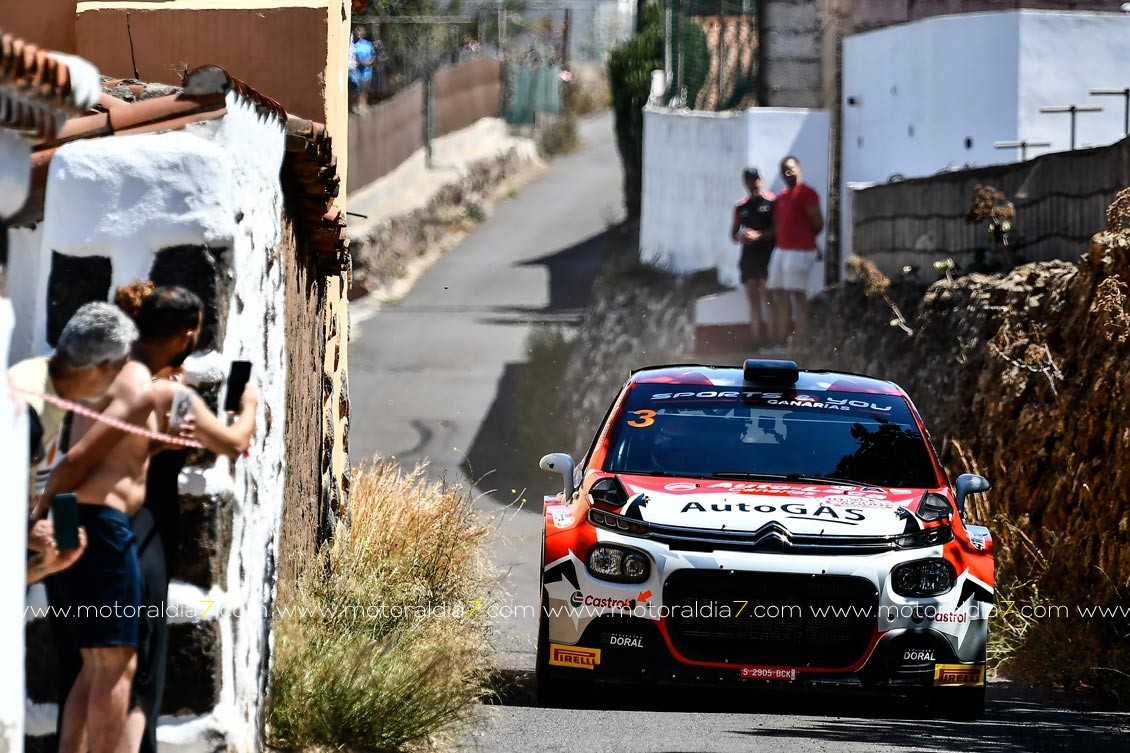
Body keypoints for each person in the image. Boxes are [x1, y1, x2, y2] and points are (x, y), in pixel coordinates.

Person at [108, 281, 258, 753]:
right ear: (186, 335)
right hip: (144, 535)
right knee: (141, 663)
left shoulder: (109, 379)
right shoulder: (170, 395)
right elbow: (233, 443)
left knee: (98, 666)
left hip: (103, 534)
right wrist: (248, 407)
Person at [13, 303, 137, 582]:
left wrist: (42, 566)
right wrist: (22, 530)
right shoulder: (28, 407)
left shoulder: (39, 378)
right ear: (103, 368)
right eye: (119, 370)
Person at [766, 155, 824, 341]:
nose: (788, 172)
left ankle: (801, 339)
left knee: (798, 295)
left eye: (791, 168)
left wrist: (807, 239)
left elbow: (818, 223)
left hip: (800, 251)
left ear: (799, 168)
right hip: (782, 249)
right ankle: (781, 339)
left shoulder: (807, 193)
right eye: (784, 170)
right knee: (780, 293)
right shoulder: (782, 196)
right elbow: (778, 223)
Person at [730, 166, 776, 344]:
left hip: (767, 255)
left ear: (761, 180)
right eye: (750, 180)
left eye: (756, 179)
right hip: (749, 257)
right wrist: (742, 237)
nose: (754, 183)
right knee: (753, 300)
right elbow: (733, 234)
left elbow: (777, 229)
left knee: (768, 296)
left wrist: (760, 236)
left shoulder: (771, 202)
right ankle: (756, 338)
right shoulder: (741, 206)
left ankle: (772, 337)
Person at [349, 25, 376, 110]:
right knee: (356, 89)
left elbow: (373, 55)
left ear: (363, 33)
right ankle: (354, 105)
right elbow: (354, 56)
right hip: (357, 70)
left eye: (360, 31)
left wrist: (370, 61)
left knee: (365, 89)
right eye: (356, 31)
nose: (358, 32)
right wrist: (362, 62)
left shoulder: (368, 44)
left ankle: (363, 105)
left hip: (367, 71)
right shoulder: (353, 45)